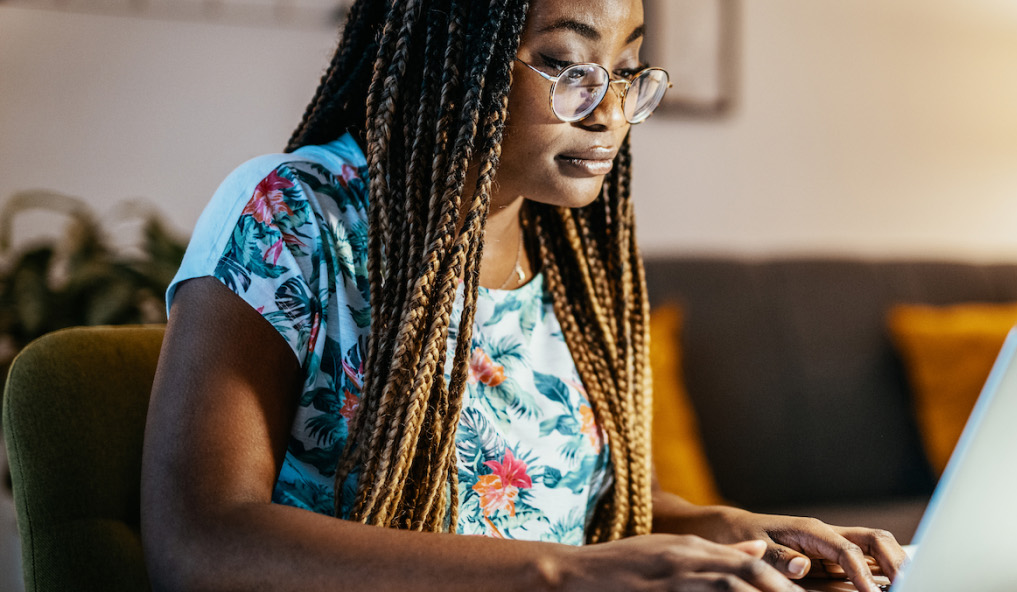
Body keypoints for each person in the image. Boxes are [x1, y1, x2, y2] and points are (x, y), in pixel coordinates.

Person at [141, 0, 907, 590]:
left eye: (628, 68)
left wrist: (734, 529)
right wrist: (564, 575)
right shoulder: (294, 215)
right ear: (458, 58)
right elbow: (199, 541)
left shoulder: (574, 258)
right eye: (568, 64)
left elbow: (575, 508)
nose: (609, 112)